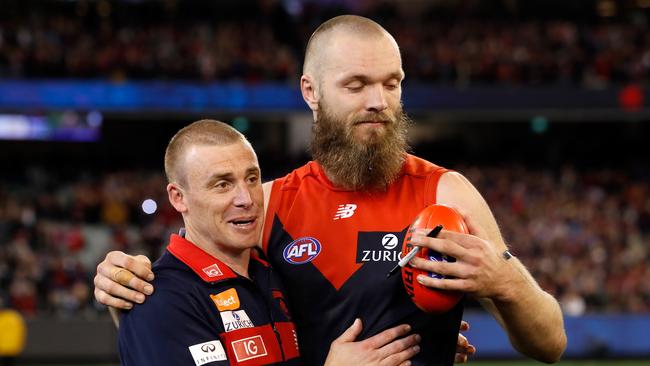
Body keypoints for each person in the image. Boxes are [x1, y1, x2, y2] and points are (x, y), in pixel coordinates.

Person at [95, 15, 566, 365]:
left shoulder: (446, 193)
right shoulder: (271, 202)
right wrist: (125, 283)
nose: (378, 102)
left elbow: (550, 345)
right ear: (310, 91)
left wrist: (506, 282)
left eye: (391, 83)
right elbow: (184, 295)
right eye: (356, 85)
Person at [117, 119, 420, 365]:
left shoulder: (275, 274)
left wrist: (433, 335)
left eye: (251, 178)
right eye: (222, 184)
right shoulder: (157, 300)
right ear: (178, 198)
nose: (246, 199)